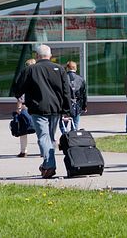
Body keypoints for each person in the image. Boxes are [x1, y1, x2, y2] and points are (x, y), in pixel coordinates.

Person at [12, 45, 71, 179]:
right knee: (49, 137)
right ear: (50, 55)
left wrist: (23, 97)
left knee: (44, 137)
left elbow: (17, 89)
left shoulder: (30, 70)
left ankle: (49, 165)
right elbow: (66, 91)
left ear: (37, 56)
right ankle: (46, 164)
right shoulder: (60, 69)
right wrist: (67, 110)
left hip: (38, 109)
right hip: (56, 109)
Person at [14, 58, 37, 157]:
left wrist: (19, 108)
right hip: (38, 106)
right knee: (41, 129)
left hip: (25, 107)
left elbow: (21, 95)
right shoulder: (40, 77)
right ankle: (43, 150)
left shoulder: (24, 77)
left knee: (23, 129)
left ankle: (24, 151)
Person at [60, 61, 87, 133]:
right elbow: (83, 94)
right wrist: (84, 106)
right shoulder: (81, 79)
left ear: (67, 68)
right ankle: (73, 139)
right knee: (75, 124)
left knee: (63, 125)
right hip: (77, 105)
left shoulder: (63, 78)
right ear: (76, 68)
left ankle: (65, 139)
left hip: (65, 105)